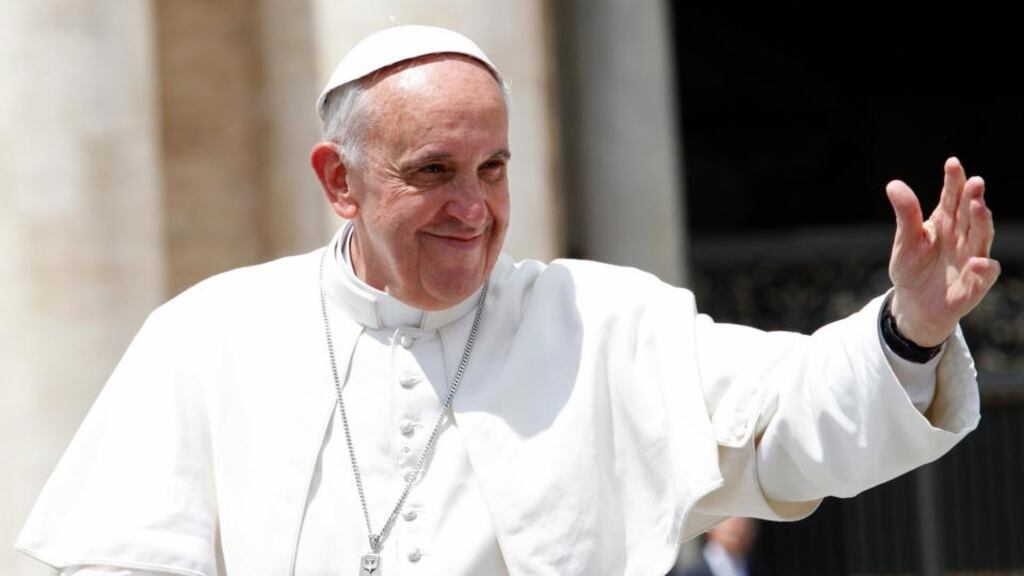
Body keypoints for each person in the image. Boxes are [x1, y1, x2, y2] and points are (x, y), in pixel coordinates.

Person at [16, 25, 999, 576]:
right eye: (433, 171)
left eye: (493, 168)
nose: (473, 209)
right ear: (338, 180)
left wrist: (909, 328)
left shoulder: (605, 324)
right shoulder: (210, 337)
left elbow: (791, 414)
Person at [675, 517, 763, 576]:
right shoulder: (694, 572)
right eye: (730, 521)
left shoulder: (757, 569)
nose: (737, 527)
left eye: (743, 523)